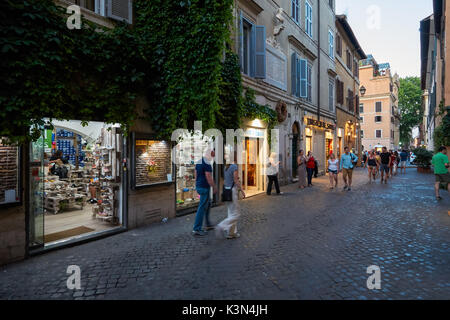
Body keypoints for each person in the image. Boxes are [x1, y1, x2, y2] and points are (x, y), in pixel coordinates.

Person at [216, 151, 246, 239]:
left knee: (231, 213)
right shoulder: (234, 166)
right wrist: (242, 190)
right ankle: (221, 226)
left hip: (227, 191)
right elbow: (236, 180)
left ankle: (231, 233)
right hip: (232, 191)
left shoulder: (226, 167)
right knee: (236, 214)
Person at [192, 149, 217, 236]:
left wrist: (197, 184)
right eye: (213, 155)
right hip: (204, 187)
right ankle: (197, 228)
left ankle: (208, 224)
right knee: (202, 207)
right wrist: (214, 186)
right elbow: (208, 177)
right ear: (209, 154)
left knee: (208, 204)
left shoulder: (199, 161)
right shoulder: (207, 163)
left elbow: (195, 174)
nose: (213, 157)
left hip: (199, 186)